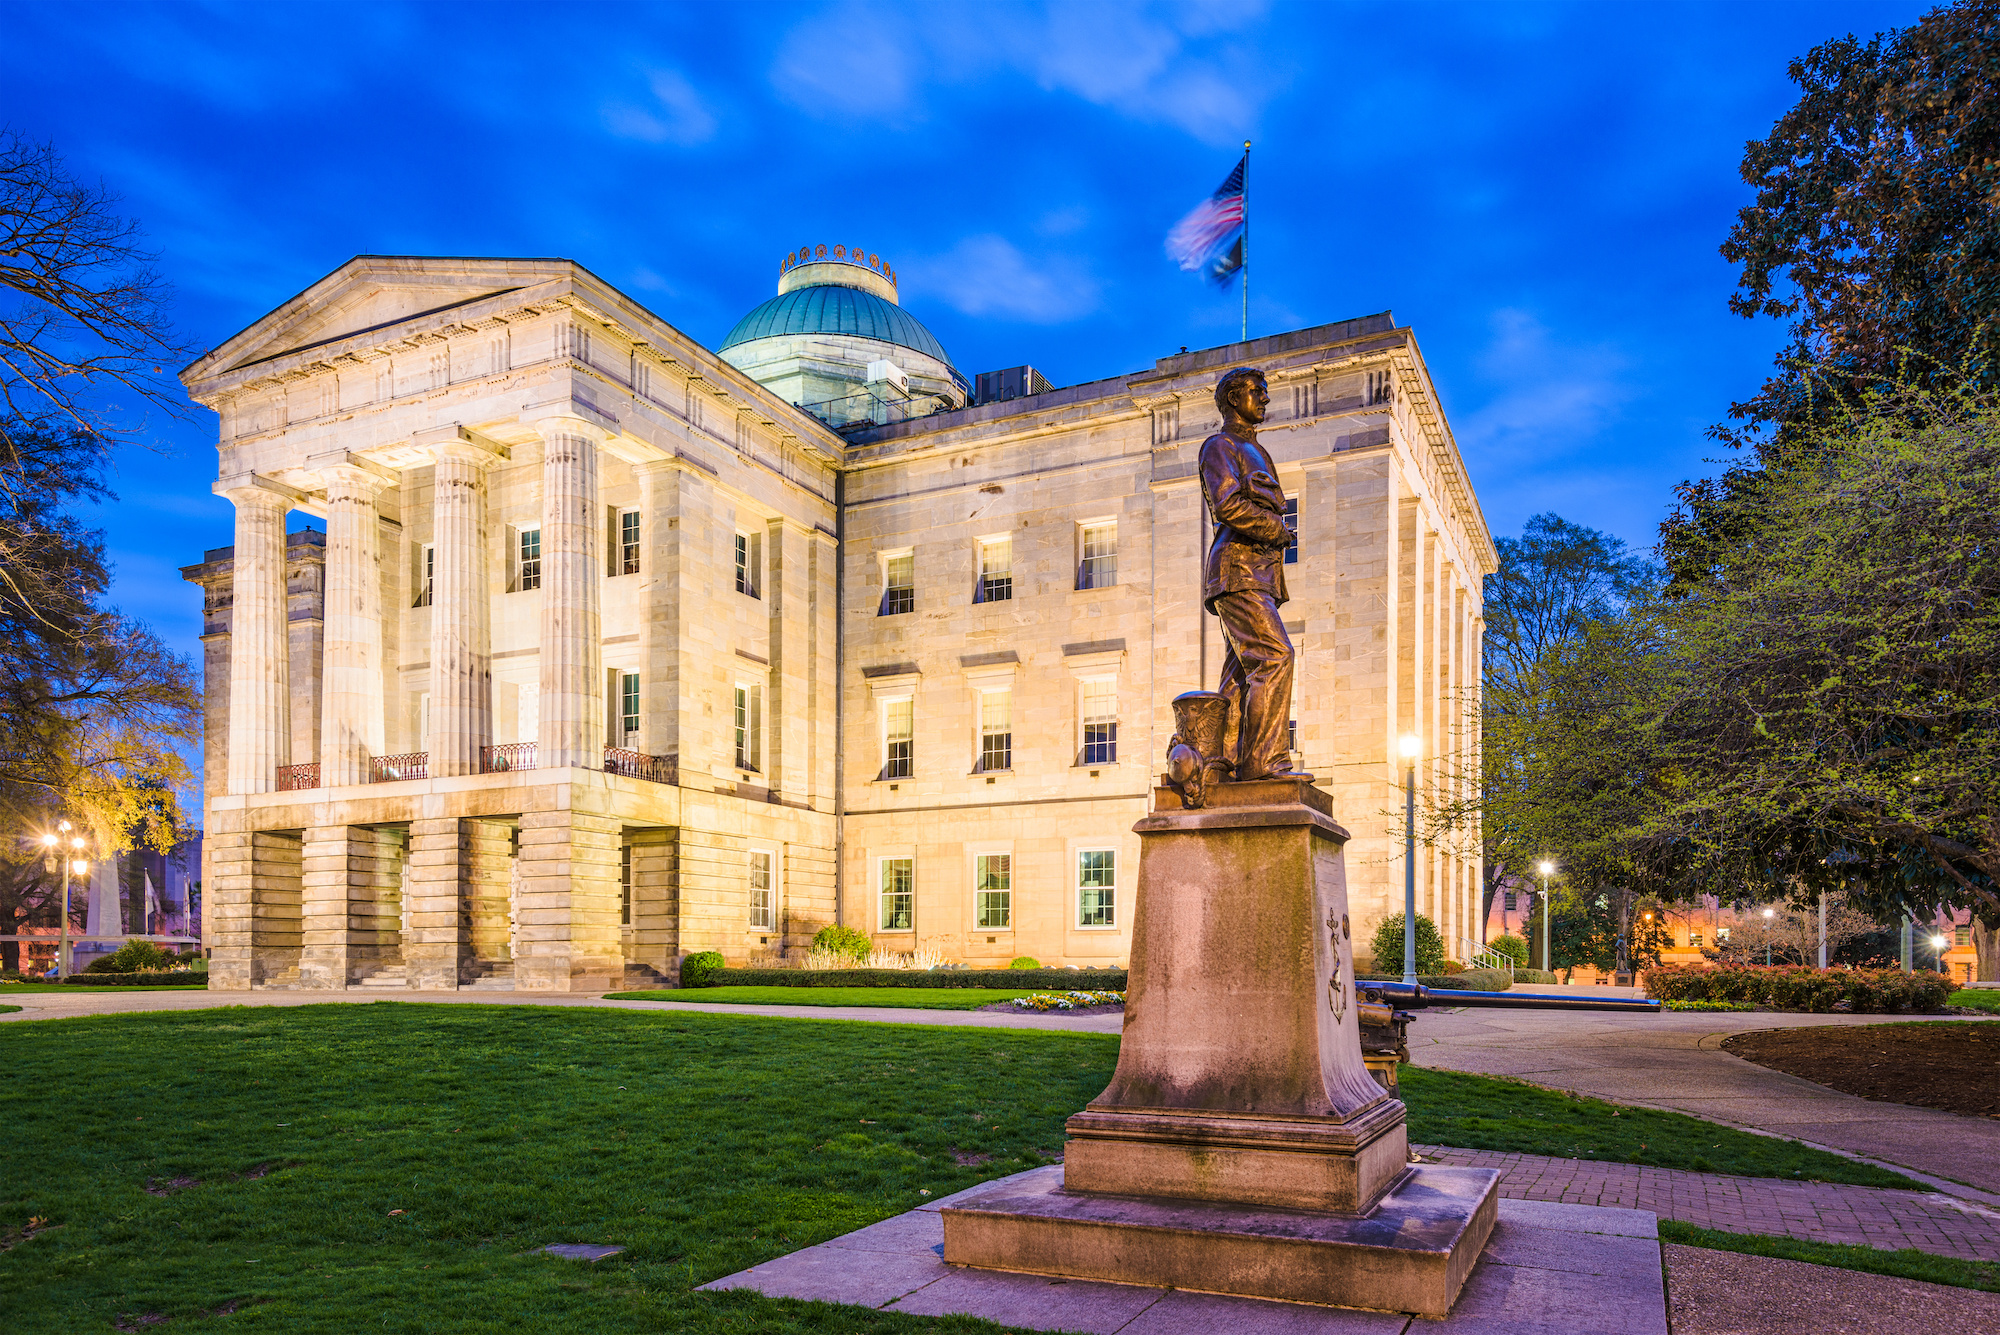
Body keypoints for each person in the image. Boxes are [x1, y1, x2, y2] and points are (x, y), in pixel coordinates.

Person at [1199, 366, 1310, 783]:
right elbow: (1227, 506)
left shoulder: (1257, 451)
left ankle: (1220, 759)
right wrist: (1277, 531)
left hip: (1258, 575)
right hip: (1237, 571)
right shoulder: (1219, 446)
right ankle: (1264, 762)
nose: (1265, 399)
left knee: (1241, 675)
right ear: (1232, 398)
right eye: (1257, 392)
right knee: (1275, 657)